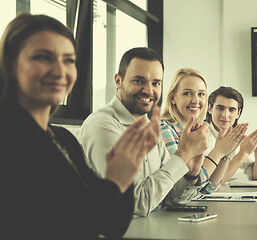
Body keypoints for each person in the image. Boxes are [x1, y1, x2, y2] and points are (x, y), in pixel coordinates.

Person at [0, 13, 162, 240]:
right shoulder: (7, 138)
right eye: (43, 57)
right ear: (10, 64)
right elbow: (52, 225)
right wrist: (115, 180)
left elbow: (109, 224)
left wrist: (122, 177)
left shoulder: (63, 139)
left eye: (68, 60)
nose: (59, 70)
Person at [78, 48, 209, 217]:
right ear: (118, 81)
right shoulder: (102, 126)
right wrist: (184, 154)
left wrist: (191, 174)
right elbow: (136, 204)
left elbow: (171, 196)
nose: (148, 90)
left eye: (155, 83)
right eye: (139, 81)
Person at [161, 69, 246, 194]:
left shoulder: (198, 130)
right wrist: (218, 152)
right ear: (172, 98)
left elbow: (207, 187)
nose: (196, 100)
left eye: (201, 94)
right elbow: (181, 188)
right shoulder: (164, 129)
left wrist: (226, 156)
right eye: (187, 94)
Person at [206, 86, 257, 182]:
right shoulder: (200, 134)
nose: (225, 115)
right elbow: (210, 182)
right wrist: (243, 153)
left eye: (231, 110)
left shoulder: (236, 137)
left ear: (238, 113)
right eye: (220, 108)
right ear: (210, 108)